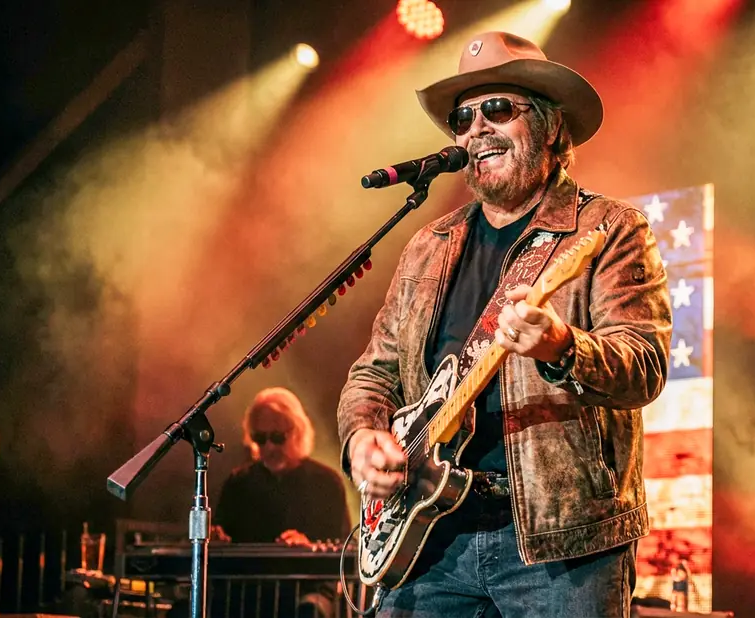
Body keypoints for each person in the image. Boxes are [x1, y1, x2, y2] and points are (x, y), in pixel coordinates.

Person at [337, 31, 672, 618]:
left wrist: (562, 346)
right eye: (462, 118)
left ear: (550, 127)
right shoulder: (427, 247)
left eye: (497, 109)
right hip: (430, 535)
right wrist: (363, 437)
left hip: (560, 546)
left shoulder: (609, 228)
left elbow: (643, 364)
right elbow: (375, 372)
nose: (475, 129)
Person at [214, 387, 351, 545]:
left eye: (277, 437)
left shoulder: (327, 483)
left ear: (298, 432)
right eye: (260, 437)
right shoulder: (238, 483)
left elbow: (345, 550)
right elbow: (222, 541)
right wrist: (217, 538)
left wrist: (309, 548)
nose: (270, 447)